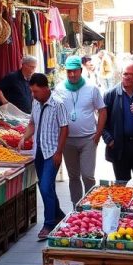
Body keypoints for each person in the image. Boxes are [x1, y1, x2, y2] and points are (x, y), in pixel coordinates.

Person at [18, 73, 69, 240]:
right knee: (46, 187)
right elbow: (32, 123)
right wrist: (24, 137)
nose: (33, 95)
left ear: (46, 89)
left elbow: (64, 128)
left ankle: (48, 224)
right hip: (38, 151)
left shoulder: (58, 104)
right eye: (32, 91)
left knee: (46, 186)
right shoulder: (36, 103)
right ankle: (59, 214)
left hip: (51, 152)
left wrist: (59, 152)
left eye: (36, 91)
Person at [53, 56, 106, 205]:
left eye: (75, 71)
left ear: (80, 71)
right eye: (69, 71)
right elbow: (55, 112)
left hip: (88, 139)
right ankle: (76, 207)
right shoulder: (59, 88)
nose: (72, 75)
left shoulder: (91, 87)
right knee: (74, 176)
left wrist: (98, 134)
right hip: (67, 140)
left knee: (88, 175)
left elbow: (102, 110)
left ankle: (91, 205)